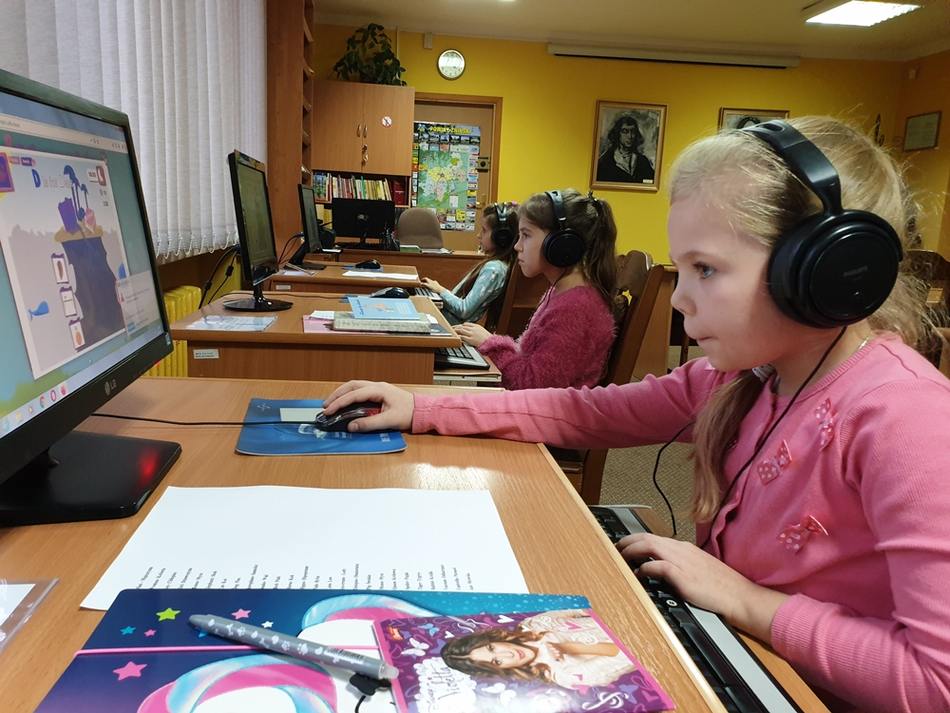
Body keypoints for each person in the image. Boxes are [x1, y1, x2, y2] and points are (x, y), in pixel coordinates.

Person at [322, 117, 950, 713]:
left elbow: (936, 684)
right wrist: (423, 407)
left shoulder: (907, 419)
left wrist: (747, 601)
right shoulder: (742, 377)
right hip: (741, 664)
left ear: (822, 272)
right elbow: (583, 413)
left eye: (705, 269)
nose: (680, 298)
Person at [451, 189, 618, 390]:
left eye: (526, 235)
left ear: (561, 243)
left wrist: (490, 343)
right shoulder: (563, 292)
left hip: (548, 409)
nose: (517, 246)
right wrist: (489, 342)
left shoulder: (576, 308)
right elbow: (531, 362)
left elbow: (532, 385)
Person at [441, 609, 635, 690]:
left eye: (492, 648)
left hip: (628, 612)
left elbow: (587, 609)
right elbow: (629, 656)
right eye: (496, 661)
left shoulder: (534, 624)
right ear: (500, 669)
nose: (507, 654)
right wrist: (567, 648)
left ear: (494, 639)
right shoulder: (565, 676)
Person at [420, 202, 518, 326]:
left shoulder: (494, 269)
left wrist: (440, 289)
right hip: (445, 321)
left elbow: (464, 310)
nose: (479, 235)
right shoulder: (496, 265)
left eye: (484, 230)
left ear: (501, 237)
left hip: (450, 327)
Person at [595, 113, 655, 184]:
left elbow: (651, 182)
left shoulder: (643, 161)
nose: (630, 136)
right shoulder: (606, 161)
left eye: (633, 132)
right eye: (625, 131)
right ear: (617, 134)